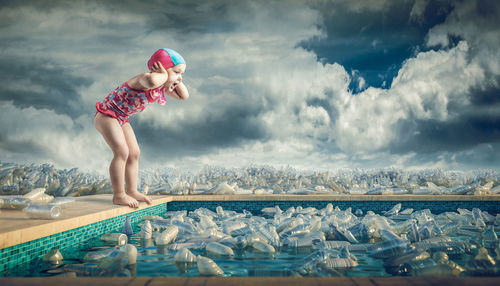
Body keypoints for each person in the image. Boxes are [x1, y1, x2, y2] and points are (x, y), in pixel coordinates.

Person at [94, 48, 189, 207]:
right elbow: (151, 82)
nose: (180, 77)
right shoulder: (143, 79)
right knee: (122, 152)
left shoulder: (161, 88)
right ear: (161, 68)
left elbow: (183, 96)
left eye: (182, 74)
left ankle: (131, 190)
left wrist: (176, 79)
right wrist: (166, 75)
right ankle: (118, 194)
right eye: (177, 71)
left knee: (134, 153)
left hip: (122, 118)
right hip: (107, 115)